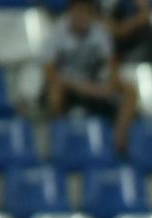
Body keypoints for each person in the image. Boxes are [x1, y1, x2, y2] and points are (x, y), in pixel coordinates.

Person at [45, 0, 137, 156]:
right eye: (78, 12)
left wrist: (110, 84)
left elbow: (112, 64)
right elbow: (49, 71)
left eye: (86, 12)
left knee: (130, 90)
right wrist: (77, 85)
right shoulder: (57, 31)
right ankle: (56, 142)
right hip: (69, 85)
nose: (82, 17)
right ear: (70, 13)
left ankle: (120, 144)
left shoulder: (99, 30)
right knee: (55, 90)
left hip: (95, 83)